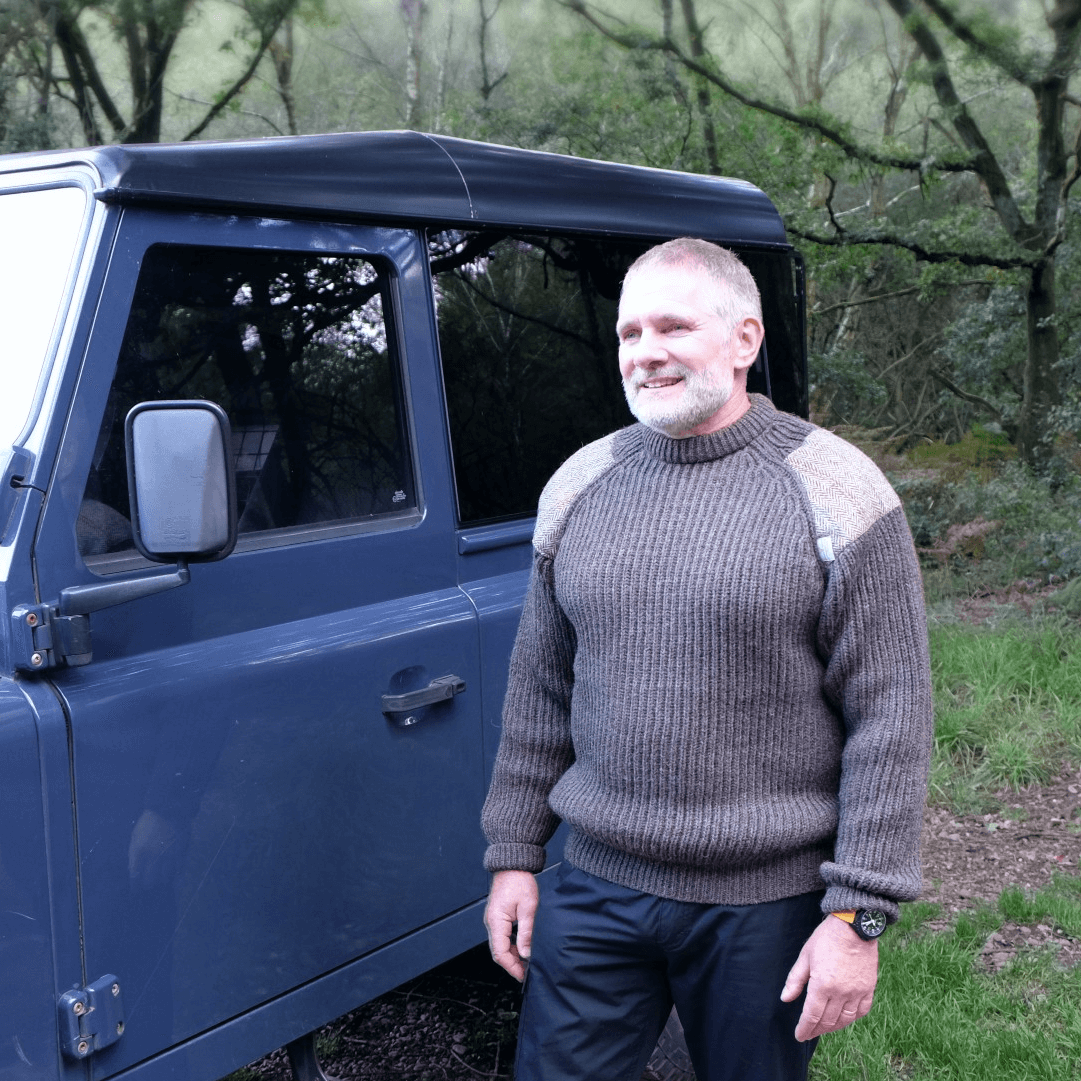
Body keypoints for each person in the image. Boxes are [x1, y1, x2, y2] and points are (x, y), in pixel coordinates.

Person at [480, 237, 933, 1081]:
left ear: (744, 341)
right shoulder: (580, 485)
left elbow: (891, 716)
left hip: (766, 901)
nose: (644, 351)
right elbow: (539, 691)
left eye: (673, 326)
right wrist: (513, 854)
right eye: (628, 332)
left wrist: (858, 914)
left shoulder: (837, 489)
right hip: (595, 883)